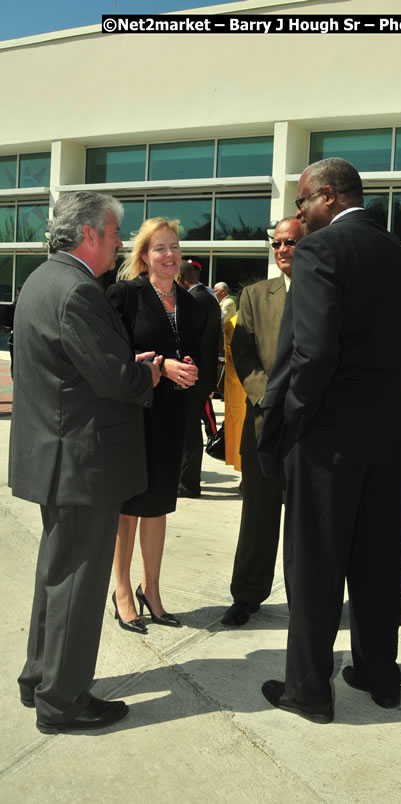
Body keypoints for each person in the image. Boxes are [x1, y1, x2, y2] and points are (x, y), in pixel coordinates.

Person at [258, 158, 401, 723]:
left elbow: (313, 350)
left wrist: (296, 419)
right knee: (379, 563)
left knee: (315, 564)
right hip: (388, 432)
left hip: (329, 437)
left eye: (303, 201)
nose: (300, 213)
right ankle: (380, 676)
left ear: (327, 196)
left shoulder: (320, 250)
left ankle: (308, 690)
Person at [10, 191, 161, 734]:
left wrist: (125, 364)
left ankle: (41, 679)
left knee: (57, 576)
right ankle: (64, 701)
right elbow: (116, 379)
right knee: (77, 583)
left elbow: (74, 367)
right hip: (82, 461)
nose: (122, 242)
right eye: (116, 232)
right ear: (90, 233)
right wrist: (149, 372)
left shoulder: (42, 280)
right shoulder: (77, 290)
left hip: (60, 456)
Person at [107, 218, 199, 633]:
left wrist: (191, 371)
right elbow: (112, 357)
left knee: (159, 506)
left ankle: (153, 591)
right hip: (134, 414)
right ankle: (122, 592)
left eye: (174, 247)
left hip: (171, 415)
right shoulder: (125, 295)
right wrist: (162, 364)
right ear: (143, 256)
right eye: (160, 248)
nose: (170, 255)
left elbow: (197, 352)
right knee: (129, 508)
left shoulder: (192, 302)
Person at [221, 218, 302, 627]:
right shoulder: (253, 295)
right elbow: (243, 350)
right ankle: (247, 595)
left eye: (291, 242)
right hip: (264, 422)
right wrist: (267, 397)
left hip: (311, 424)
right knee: (258, 514)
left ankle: (306, 601)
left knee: (308, 519)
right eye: (277, 243)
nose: (283, 249)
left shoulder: (328, 292)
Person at [177, 259, 221, 498]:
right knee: (192, 430)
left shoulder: (195, 300)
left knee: (190, 433)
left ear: (182, 279)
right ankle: (187, 480)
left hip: (194, 376)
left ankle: (188, 483)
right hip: (203, 376)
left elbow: (188, 340)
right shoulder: (209, 297)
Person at [223, 312, 246, 471]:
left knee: (240, 429)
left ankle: (243, 470)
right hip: (240, 383)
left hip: (237, 384)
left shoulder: (233, 322)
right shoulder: (233, 322)